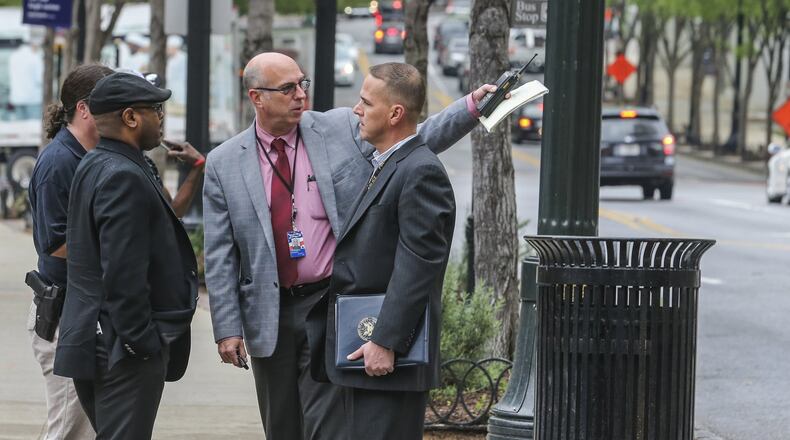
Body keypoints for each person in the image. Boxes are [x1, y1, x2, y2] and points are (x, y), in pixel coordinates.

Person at [202, 51, 495, 439]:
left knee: (327, 426)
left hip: (330, 304)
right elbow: (220, 252)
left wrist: (471, 106)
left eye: (302, 83)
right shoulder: (224, 162)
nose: (301, 95)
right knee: (281, 426)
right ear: (257, 97)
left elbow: (411, 137)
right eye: (288, 88)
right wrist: (226, 327)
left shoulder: (338, 128)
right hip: (269, 314)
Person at [307, 62, 455, 439]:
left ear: (395, 114)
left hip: (388, 358)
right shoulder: (388, 163)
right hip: (367, 350)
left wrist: (386, 341)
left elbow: (417, 265)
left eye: (366, 102)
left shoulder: (420, 171)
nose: (356, 110)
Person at [53, 72, 198, 440]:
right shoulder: (122, 175)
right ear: (131, 117)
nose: (161, 118)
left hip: (98, 337)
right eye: (156, 109)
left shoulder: (95, 163)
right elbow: (122, 271)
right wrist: (141, 342)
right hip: (120, 347)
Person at [27, 63, 114, 440]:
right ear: (84, 108)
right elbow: (54, 243)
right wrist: (116, 251)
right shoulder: (58, 162)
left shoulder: (92, 154)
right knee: (69, 428)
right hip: (64, 316)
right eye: (111, 102)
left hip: (84, 313)